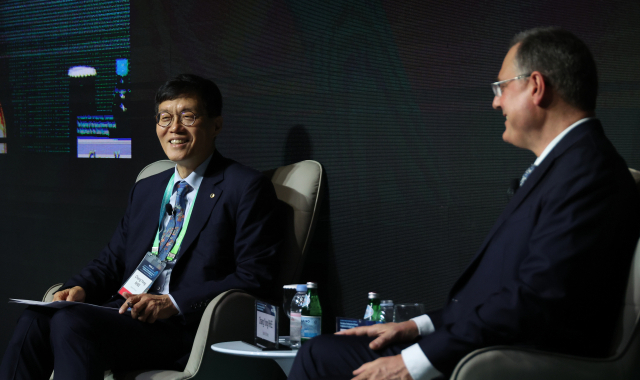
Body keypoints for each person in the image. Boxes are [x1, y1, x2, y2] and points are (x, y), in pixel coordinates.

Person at [288, 27, 640, 380]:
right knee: (321, 349)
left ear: (536, 86)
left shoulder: (587, 171)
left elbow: (535, 303)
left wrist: (412, 364)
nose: (495, 102)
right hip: (482, 346)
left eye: (501, 87)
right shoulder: (568, 165)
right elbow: (503, 294)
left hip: (509, 363)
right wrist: (417, 326)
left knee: (319, 358)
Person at [0, 74, 284, 379]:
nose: (174, 127)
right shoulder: (148, 188)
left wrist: (173, 302)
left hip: (184, 327)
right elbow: (113, 259)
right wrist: (78, 287)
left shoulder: (245, 187)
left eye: (187, 116)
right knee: (36, 318)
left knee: (71, 323)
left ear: (216, 124)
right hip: (127, 313)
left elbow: (255, 277)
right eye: (165, 117)